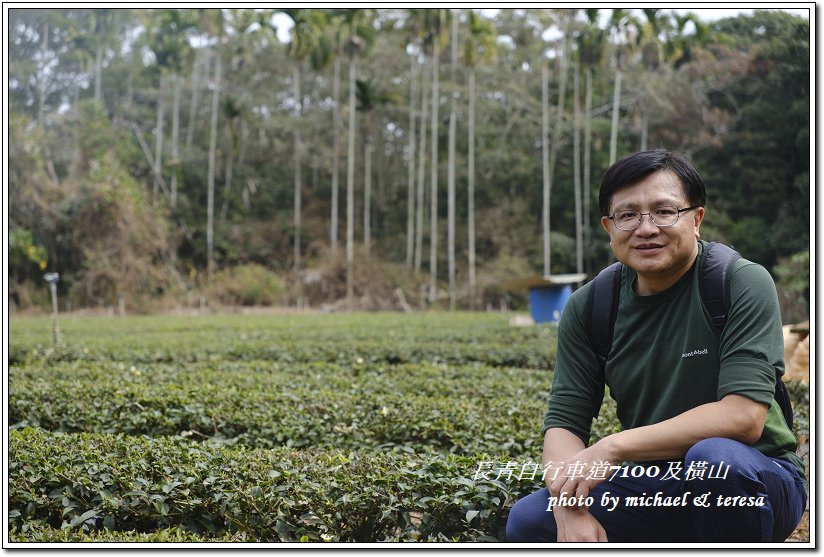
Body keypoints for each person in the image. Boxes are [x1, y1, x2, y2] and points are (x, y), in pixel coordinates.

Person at [505, 149, 807, 543]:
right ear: (608, 227)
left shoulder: (739, 282)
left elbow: (743, 418)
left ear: (696, 219)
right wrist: (567, 508)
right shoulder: (591, 306)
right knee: (530, 520)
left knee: (714, 459)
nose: (645, 229)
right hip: (657, 482)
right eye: (627, 215)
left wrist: (613, 447)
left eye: (664, 212)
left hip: (757, 477)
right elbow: (564, 422)